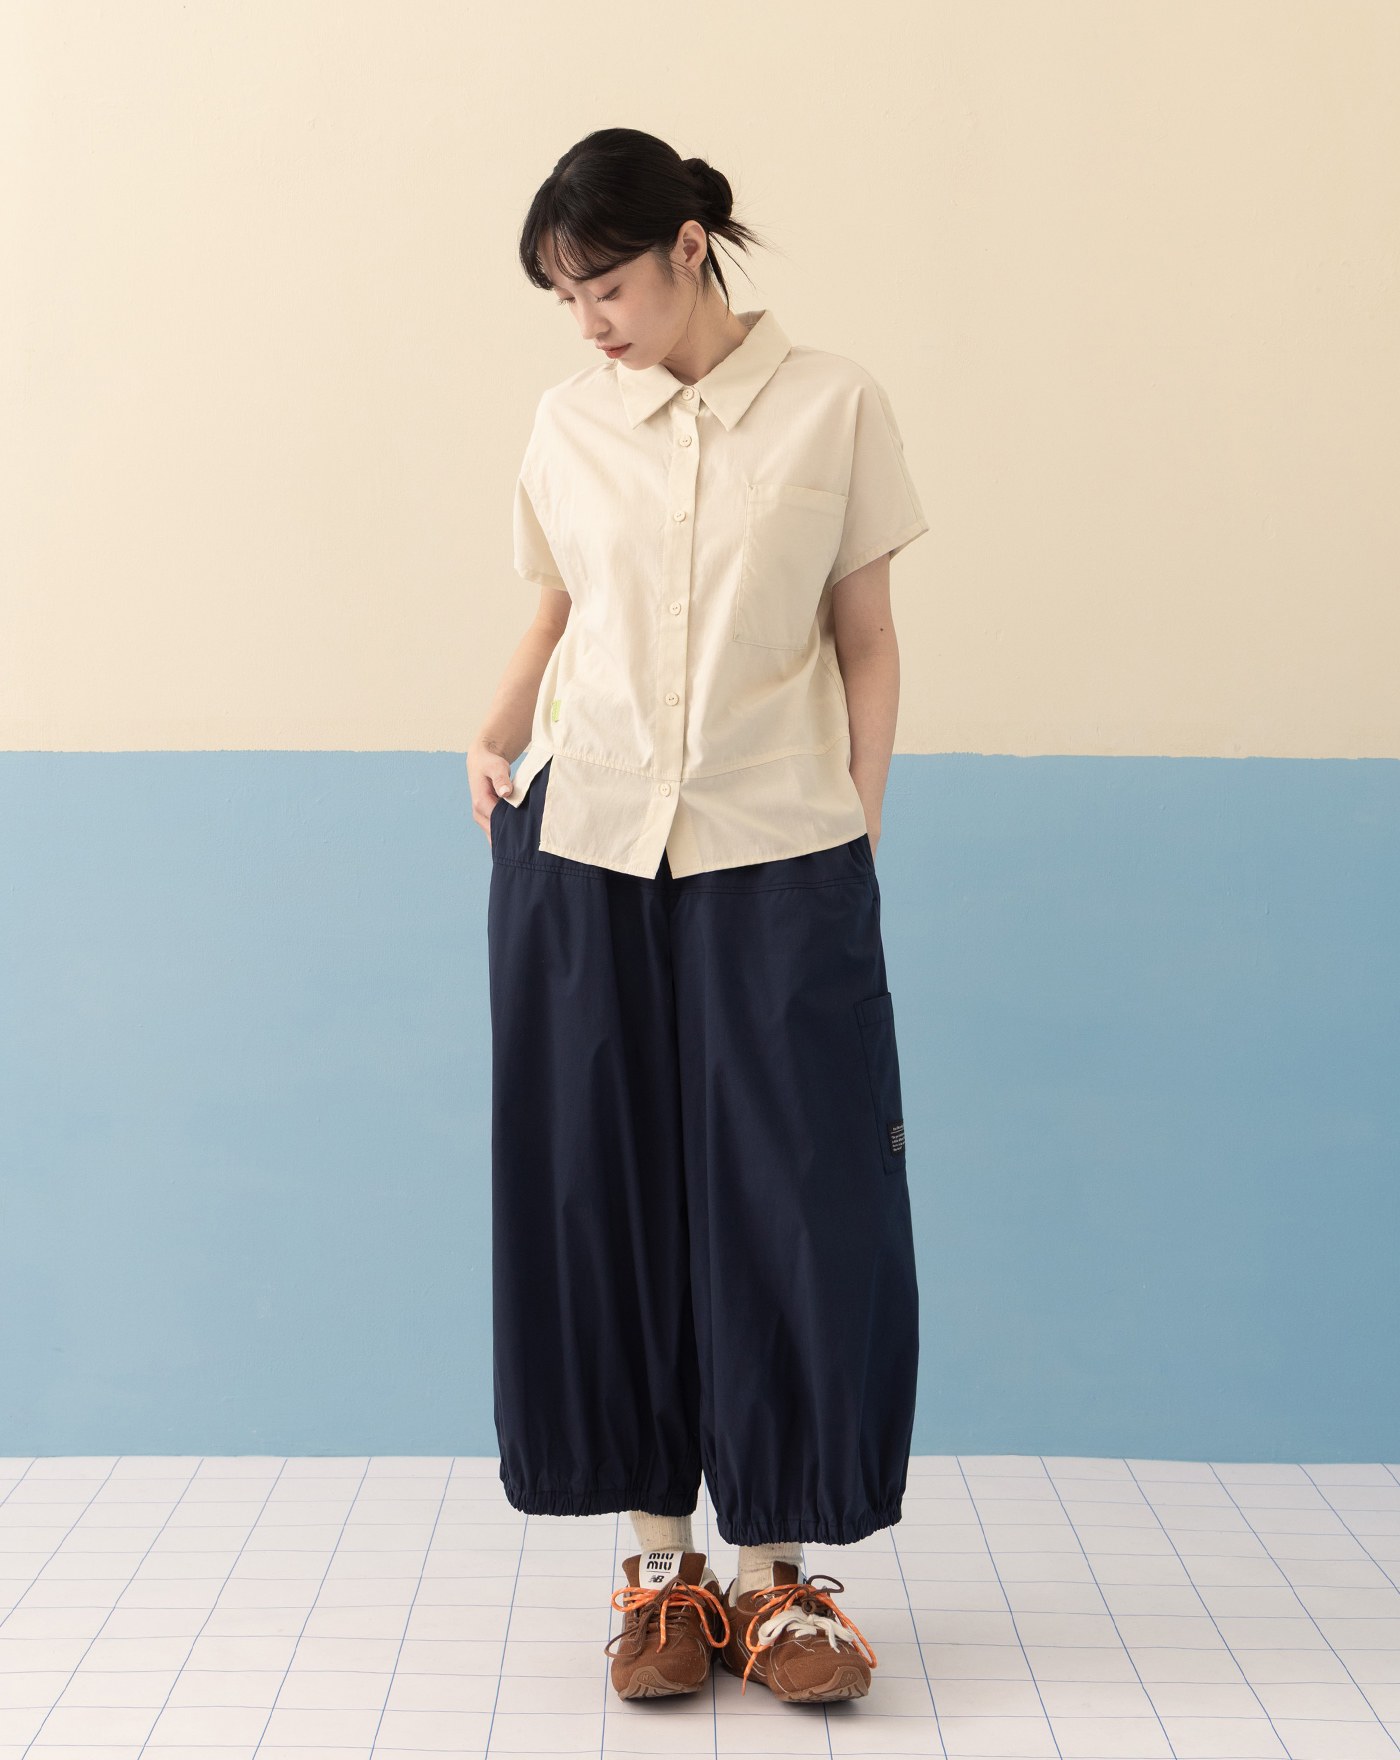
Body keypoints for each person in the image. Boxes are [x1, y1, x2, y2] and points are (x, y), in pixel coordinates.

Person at [467, 127, 928, 1706]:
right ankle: (660, 1568)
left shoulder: (835, 405)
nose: (587, 318)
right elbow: (557, 606)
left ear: (687, 245)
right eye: (562, 296)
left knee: (794, 1195)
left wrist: (857, 820)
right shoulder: (566, 422)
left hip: (779, 844)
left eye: (603, 283)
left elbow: (868, 637)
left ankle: (780, 1580)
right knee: (601, 1189)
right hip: (582, 835)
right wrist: (491, 730)